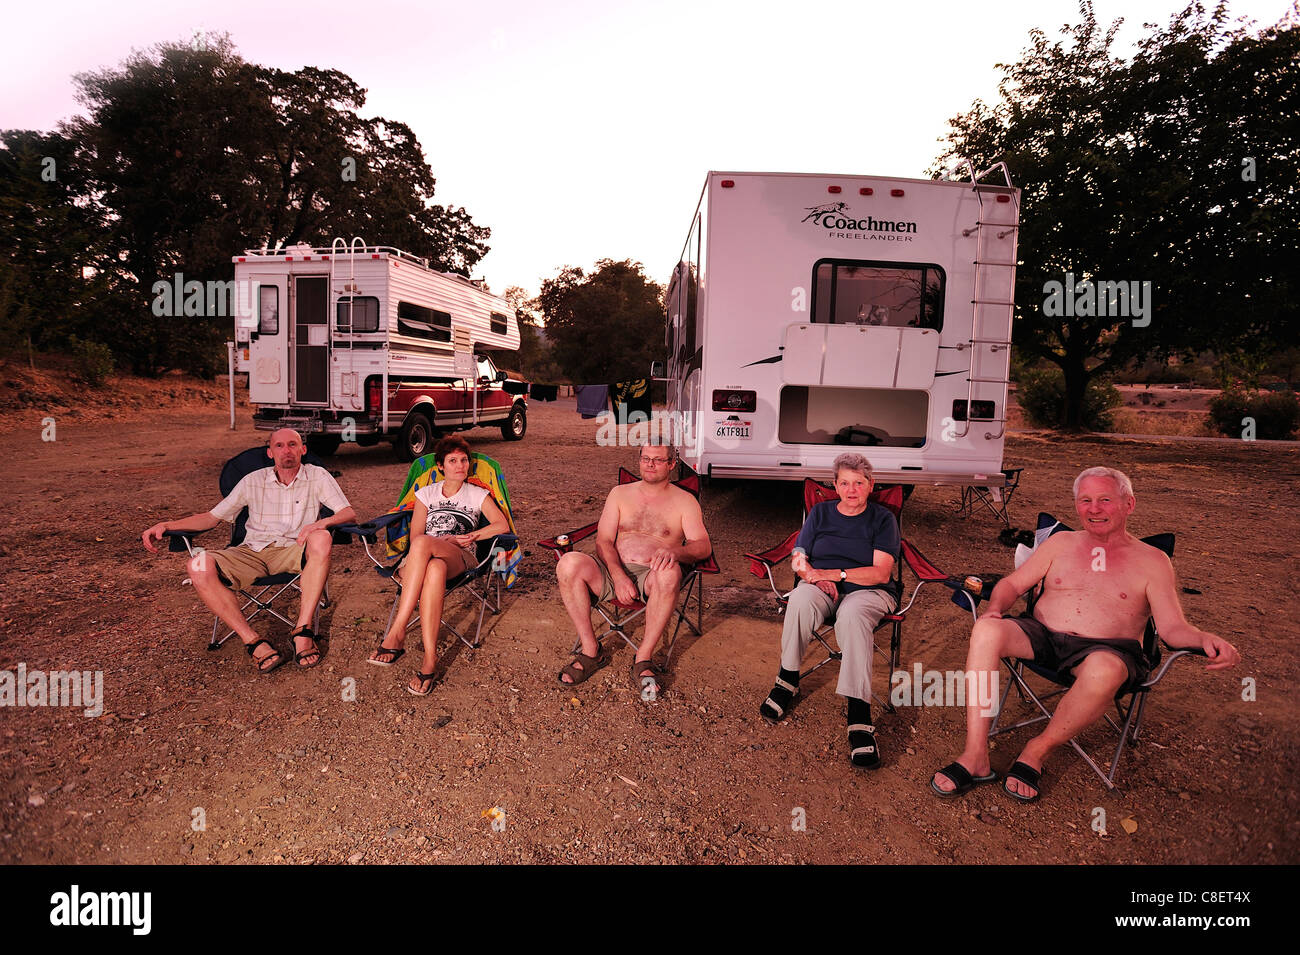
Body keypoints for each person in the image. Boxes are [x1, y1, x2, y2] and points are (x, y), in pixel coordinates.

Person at [930, 466, 1241, 803]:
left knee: (1105, 669)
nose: (1094, 509)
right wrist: (995, 608)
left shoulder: (1153, 560)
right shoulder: (1060, 543)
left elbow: (1172, 628)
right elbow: (1013, 584)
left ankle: (1037, 750)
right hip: (1042, 636)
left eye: (1105, 500)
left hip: (1108, 652)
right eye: (1085, 500)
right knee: (986, 630)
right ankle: (976, 755)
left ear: (1129, 504)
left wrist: (1204, 638)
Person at [141, 429, 355, 673]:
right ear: (270, 452)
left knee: (322, 538)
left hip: (294, 549)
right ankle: (253, 641)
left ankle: (302, 631)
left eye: (293, 444)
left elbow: (347, 512)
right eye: (280, 446)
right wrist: (167, 525)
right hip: (251, 552)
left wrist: (320, 524)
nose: (287, 450)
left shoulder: (317, 475)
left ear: (303, 450)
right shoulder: (252, 480)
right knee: (197, 565)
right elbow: (211, 518)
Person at [758, 453, 900, 769]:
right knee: (799, 599)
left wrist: (833, 574)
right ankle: (787, 680)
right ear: (835, 485)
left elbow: (881, 573)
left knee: (852, 616)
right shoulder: (820, 513)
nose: (852, 490)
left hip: (869, 592)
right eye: (845, 483)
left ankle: (859, 715)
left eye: (859, 483)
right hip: (821, 585)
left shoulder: (882, 519)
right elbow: (798, 556)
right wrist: (811, 576)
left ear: (871, 485)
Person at [555, 442, 711, 696]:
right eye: (645, 458)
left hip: (652, 577)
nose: (650, 464)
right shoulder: (619, 493)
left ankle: (643, 658)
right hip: (611, 570)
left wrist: (676, 552)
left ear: (672, 464)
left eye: (658, 460)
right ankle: (591, 651)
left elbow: (703, 547)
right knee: (568, 563)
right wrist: (618, 576)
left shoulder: (685, 501)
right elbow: (603, 540)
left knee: (670, 573)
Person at [368, 436, 510, 696]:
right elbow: (414, 537)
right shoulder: (426, 494)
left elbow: (502, 525)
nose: (460, 465)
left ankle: (397, 630)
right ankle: (430, 660)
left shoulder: (478, 494)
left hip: (460, 556)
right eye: (453, 460)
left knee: (423, 545)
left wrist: (472, 536)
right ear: (441, 466)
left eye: (464, 460)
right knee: (433, 570)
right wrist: (434, 543)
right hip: (427, 560)